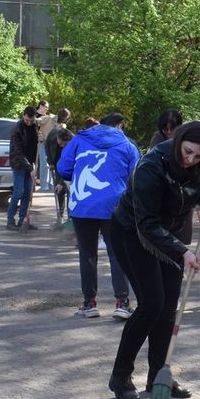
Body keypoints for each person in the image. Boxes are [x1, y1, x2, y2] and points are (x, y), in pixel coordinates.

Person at [107, 121, 200, 399]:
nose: (191, 159)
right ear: (179, 141)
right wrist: (182, 251)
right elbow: (146, 223)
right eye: (188, 152)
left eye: (198, 155)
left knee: (169, 307)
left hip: (172, 234)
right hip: (133, 232)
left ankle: (159, 376)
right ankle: (120, 377)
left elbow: (192, 195)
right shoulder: (151, 166)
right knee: (151, 305)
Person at [58, 113, 139, 320]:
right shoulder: (128, 145)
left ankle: (90, 303)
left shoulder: (79, 139)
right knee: (118, 254)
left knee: (87, 254)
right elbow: (136, 176)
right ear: (120, 125)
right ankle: (122, 303)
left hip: (82, 204)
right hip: (115, 205)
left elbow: (63, 168)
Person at [6, 106, 39, 231]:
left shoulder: (35, 126)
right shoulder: (17, 129)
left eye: (31, 121)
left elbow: (34, 146)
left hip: (29, 163)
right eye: (26, 120)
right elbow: (18, 152)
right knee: (18, 191)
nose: (29, 123)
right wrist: (30, 168)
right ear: (23, 116)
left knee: (27, 193)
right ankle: (10, 220)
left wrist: (40, 139)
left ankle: (22, 221)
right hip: (18, 163)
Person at [46, 127, 74, 226]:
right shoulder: (52, 135)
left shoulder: (73, 143)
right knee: (59, 192)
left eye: (64, 144)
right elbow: (47, 148)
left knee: (70, 192)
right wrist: (50, 162)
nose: (62, 146)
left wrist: (62, 182)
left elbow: (71, 166)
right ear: (57, 138)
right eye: (60, 143)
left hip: (70, 168)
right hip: (57, 165)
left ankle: (71, 219)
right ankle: (60, 217)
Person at [35, 100, 57, 192]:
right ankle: (40, 184)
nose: (47, 109)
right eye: (46, 107)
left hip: (44, 142)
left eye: (48, 108)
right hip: (35, 142)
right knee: (37, 164)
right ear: (41, 106)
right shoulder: (34, 115)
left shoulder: (47, 117)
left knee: (46, 163)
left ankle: (47, 185)